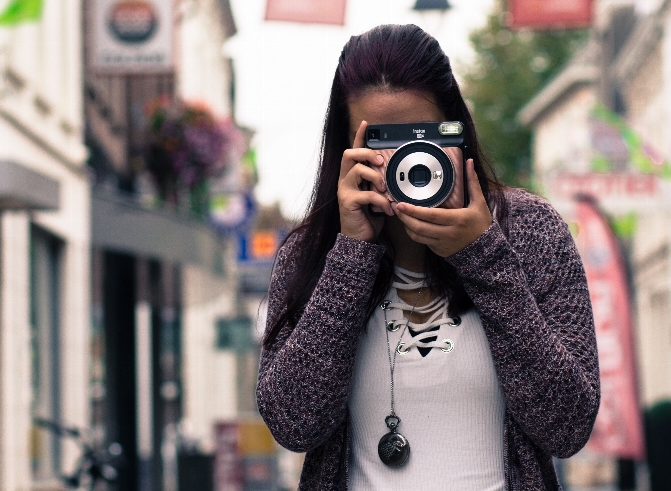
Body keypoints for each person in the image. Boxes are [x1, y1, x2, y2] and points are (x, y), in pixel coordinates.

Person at [256, 24, 600, 490]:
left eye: (422, 140)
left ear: (456, 131)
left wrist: (483, 257)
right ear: (346, 148)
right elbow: (293, 425)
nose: (405, 162)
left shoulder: (529, 233)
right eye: (381, 142)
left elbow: (567, 426)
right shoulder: (312, 252)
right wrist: (352, 255)